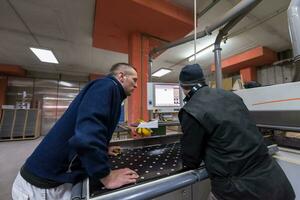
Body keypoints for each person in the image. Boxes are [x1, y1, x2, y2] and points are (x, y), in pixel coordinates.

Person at [12, 63, 139, 200]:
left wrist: (103, 148)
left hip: (52, 180)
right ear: (121, 76)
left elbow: (86, 127)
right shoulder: (106, 86)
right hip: (42, 188)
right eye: (134, 80)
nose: (136, 85)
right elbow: (86, 136)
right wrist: (107, 177)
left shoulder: (112, 93)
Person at [178, 64, 295, 200]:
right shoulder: (232, 96)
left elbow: (191, 161)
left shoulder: (191, 110)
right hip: (275, 182)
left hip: (238, 190)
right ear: (204, 81)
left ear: (183, 87)